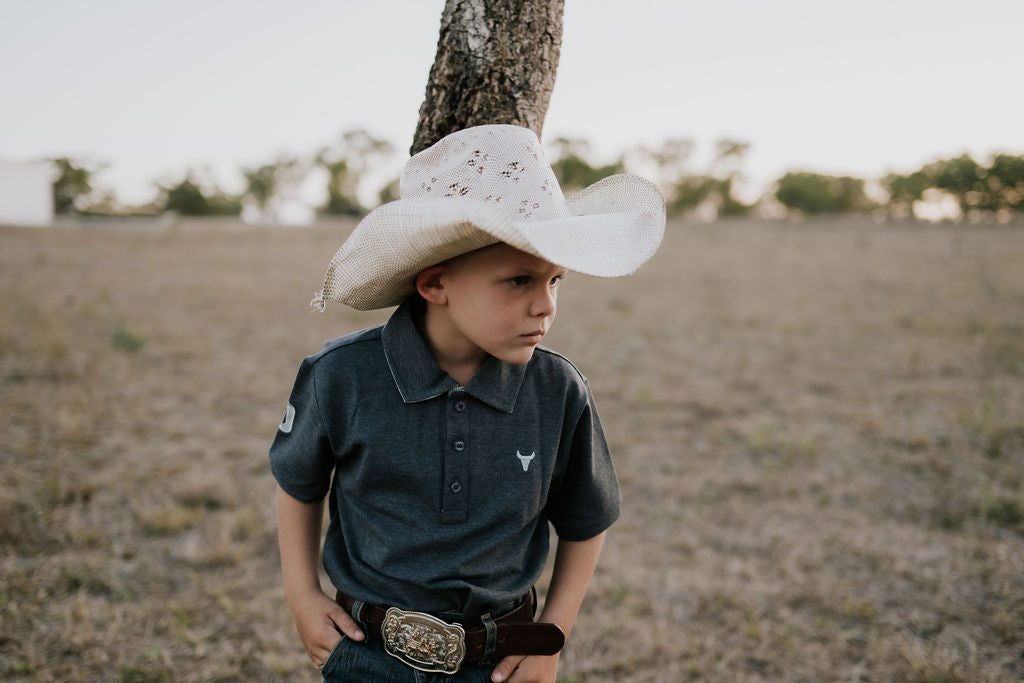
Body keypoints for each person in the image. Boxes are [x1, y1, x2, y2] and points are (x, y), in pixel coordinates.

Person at [270, 124, 665, 682]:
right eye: (520, 281)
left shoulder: (558, 390)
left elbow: (584, 520)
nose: (545, 307)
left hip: (502, 660)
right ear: (435, 284)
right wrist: (301, 594)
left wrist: (552, 637)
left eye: (556, 281)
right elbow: (298, 483)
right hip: (367, 653)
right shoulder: (340, 377)